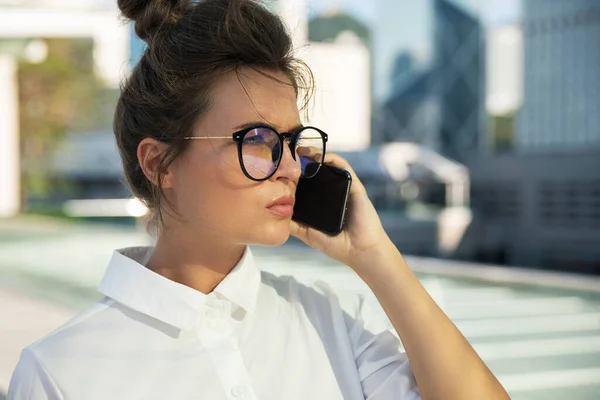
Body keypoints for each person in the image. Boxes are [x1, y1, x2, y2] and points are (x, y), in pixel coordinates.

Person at [8, 0, 509, 399]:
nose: (291, 168)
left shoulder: (331, 320)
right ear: (159, 163)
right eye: (257, 141)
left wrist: (376, 258)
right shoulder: (60, 372)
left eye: (291, 142)